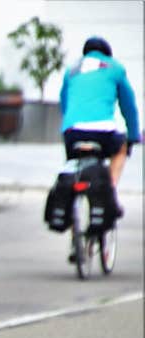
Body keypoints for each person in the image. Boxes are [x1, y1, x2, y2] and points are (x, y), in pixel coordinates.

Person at [59, 36, 141, 215]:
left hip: (72, 132)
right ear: (107, 54)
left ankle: (74, 221)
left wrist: (68, 126)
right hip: (102, 133)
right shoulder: (115, 68)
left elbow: (65, 105)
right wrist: (134, 136)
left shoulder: (71, 70)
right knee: (121, 147)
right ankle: (109, 192)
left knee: (75, 164)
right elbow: (129, 107)